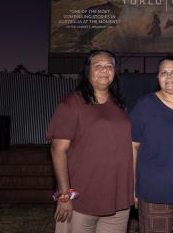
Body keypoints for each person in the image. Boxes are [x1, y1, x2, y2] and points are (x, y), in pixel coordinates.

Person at [47, 49, 133, 233]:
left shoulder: (119, 105)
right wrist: (64, 196)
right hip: (82, 198)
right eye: (98, 66)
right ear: (88, 71)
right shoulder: (72, 103)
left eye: (109, 66)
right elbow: (57, 150)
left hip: (117, 198)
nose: (104, 70)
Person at [131, 56, 173, 233]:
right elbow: (133, 148)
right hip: (154, 191)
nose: (169, 76)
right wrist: (133, 187)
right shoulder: (144, 104)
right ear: (158, 77)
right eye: (164, 72)